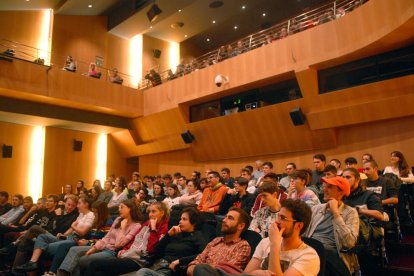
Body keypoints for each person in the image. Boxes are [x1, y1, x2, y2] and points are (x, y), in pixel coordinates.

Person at [57, 199, 143, 276]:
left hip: (112, 251)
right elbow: (107, 237)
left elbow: (118, 245)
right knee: (75, 251)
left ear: (130, 209)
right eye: (119, 207)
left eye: (122, 207)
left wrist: (123, 228)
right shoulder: (118, 220)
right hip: (102, 247)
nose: (119, 209)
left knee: (82, 260)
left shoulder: (136, 226)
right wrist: (94, 248)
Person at [81, 202, 169, 276]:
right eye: (149, 212)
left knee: (94, 265)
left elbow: (151, 249)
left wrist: (153, 229)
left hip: (139, 260)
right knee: (97, 270)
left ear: (162, 213)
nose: (150, 214)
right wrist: (125, 249)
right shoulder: (146, 223)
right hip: (129, 254)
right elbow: (135, 238)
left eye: (154, 212)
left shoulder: (164, 228)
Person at [15, 197, 95, 273]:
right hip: (65, 237)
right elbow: (69, 229)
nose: (77, 206)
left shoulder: (89, 215)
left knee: (37, 239)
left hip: (73, 239)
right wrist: (64, 235)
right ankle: (32, 262)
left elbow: (81, 231)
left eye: (78, 204)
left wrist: (70, 225)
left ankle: (50, 272)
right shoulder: (81, 214)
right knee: (40, 237)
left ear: (86, 204)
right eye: (68, 204)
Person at [244, 199, 319, 275]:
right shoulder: (265, 242)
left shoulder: (309, 256)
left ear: (299, 225)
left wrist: (274, 245)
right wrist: (255, 274)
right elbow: (245, 274)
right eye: (278, 216)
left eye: (283, 218)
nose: (276, 221)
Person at [305, 176, 359, 276]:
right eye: (325, 186)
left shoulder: (350, 212)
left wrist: (336, 213)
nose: (324, 189)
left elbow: (349, 243)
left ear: (341, 192)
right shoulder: (316, 209)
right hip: (310, 251)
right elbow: (303, 234)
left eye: (329, 187)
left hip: (333, 256)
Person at [136, 207, 207, 276]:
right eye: (180, 219)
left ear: (193, 222)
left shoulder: (198, 235)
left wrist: (180, 261)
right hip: (157, 266)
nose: (180, 221)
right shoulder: (175, 233)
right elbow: (156, 250)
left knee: (142, 272)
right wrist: (168, 235)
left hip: (171, 270)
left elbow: (204, 254)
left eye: (184, 219)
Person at [187, 207, 251, 276]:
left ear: (241, 226)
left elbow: (226, 271)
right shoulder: (216, 240)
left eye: (230, 218)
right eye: (225, 217)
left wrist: (203, 268)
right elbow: (195, 262)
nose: (224, 220)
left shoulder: (243, 246)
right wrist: (196, 269)